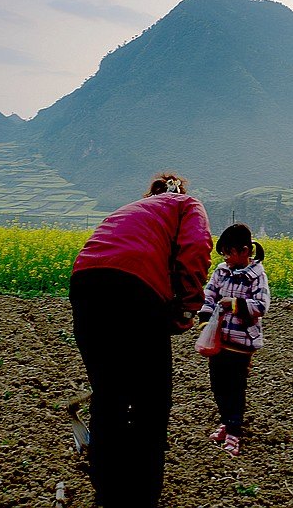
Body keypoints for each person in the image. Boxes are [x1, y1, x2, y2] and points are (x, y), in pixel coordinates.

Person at [69, 173, 213, 508]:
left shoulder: (129, 210)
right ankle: (144, 494)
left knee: (109, 395)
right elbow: (196, 248)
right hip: (135, 288)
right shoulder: (186, 204)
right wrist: (189, 308)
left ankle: (107, 491)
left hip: (86, 284)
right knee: (151, 399)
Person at [198, 223, 270, 457]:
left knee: (235, 388)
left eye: (230, 252)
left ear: (245, 250)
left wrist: (235, 304)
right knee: (218, 386)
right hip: (219, 340)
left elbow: (261, 306)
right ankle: (226, 422)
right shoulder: (221, 271)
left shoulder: (257, 275)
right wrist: (204, 321)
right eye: (224, 253)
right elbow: (209, 296)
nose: (227, 258)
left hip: (241, 343)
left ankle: (234, 432)